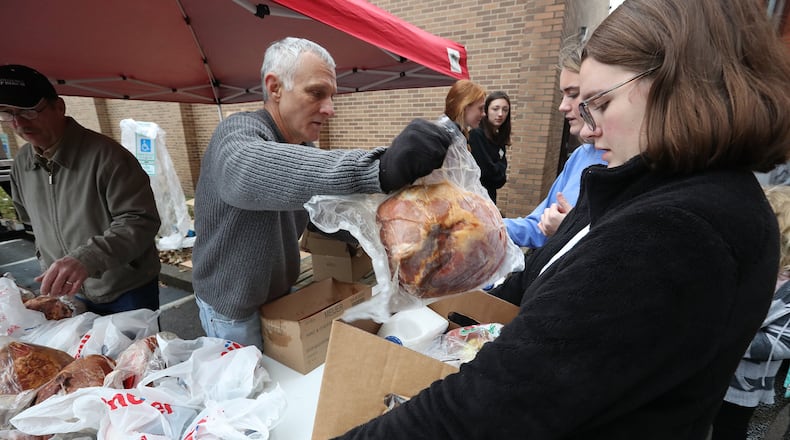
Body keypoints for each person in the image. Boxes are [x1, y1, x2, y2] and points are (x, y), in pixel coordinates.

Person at [334, 0, 790, 438]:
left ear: (680, 83)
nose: (588, 127)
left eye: (600, 103)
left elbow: (491, 407)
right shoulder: (637, 183)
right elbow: (536, 285)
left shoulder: (681, 230)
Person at [191, 37, 452, 350]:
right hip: (232, 310)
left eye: (331, 96)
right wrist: (381, 168)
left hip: (278, 296)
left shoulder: (301, 146)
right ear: (274, 88)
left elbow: (321, 212)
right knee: (247, 397)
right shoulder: (236, 135)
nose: (330, 109)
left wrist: (386, 236)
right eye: (316, 93)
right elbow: (247, 173)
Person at [0, 64, 162, 315]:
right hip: (64, 290)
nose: (18, 122)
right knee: (74, 355)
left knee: (137, 355)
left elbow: (141, 221)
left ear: (59, 107)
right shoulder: (21, 163)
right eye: (7, 113)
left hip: (124, 289)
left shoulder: (109, 157)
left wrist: (87, 258)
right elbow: (31, 222)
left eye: (28, 111)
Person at [503, 36, 606, 249]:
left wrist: (570, 231)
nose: (562, 106)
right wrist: (484, 226)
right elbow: (537, 225)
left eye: (574, 94)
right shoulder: (579, 156)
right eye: (563, 95)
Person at [711, 185, 790, 440]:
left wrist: (714, 339)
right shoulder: (746, 266)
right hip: (710, 372)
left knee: (733, 429)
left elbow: (780, 342)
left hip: (747, 385)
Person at [469, 91, 510, 203]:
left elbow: (499, 178)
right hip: (476, 200)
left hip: (490, 199)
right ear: (486, 110)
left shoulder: (498, 138)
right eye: (495, 109)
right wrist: (499, 167)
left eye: (505, 110)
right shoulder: (477, 135)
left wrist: (498, 169)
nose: (500, 114)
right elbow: (489, 175)